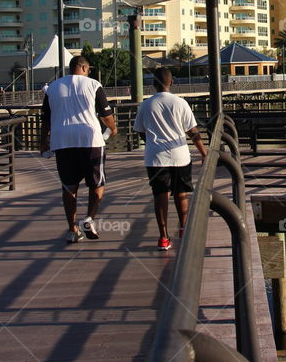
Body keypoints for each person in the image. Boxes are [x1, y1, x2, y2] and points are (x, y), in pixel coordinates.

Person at [40, 55, 117, 244]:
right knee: (97, 184)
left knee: (69, 187)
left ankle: (72, 230)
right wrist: (113, 128)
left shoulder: (53, 88)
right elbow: (105, 114)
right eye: (88, 69)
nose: (89, 72)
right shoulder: (93, 85)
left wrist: (43, 142)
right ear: (83, 68)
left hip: (62, 141)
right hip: (91, 140)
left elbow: (46, 120)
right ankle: (89, 218)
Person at [134, 68, 207, 251]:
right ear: (172, 82)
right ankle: (183, 228)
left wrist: (151, 143)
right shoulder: (181, 103)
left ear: (153, 84)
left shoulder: (146, 105)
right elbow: (193, 132)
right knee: (181, 193)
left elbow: (140, 131)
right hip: (180, 156)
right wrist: (203, 152)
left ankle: (164, 237)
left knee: (160, 195)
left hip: (155, 158)